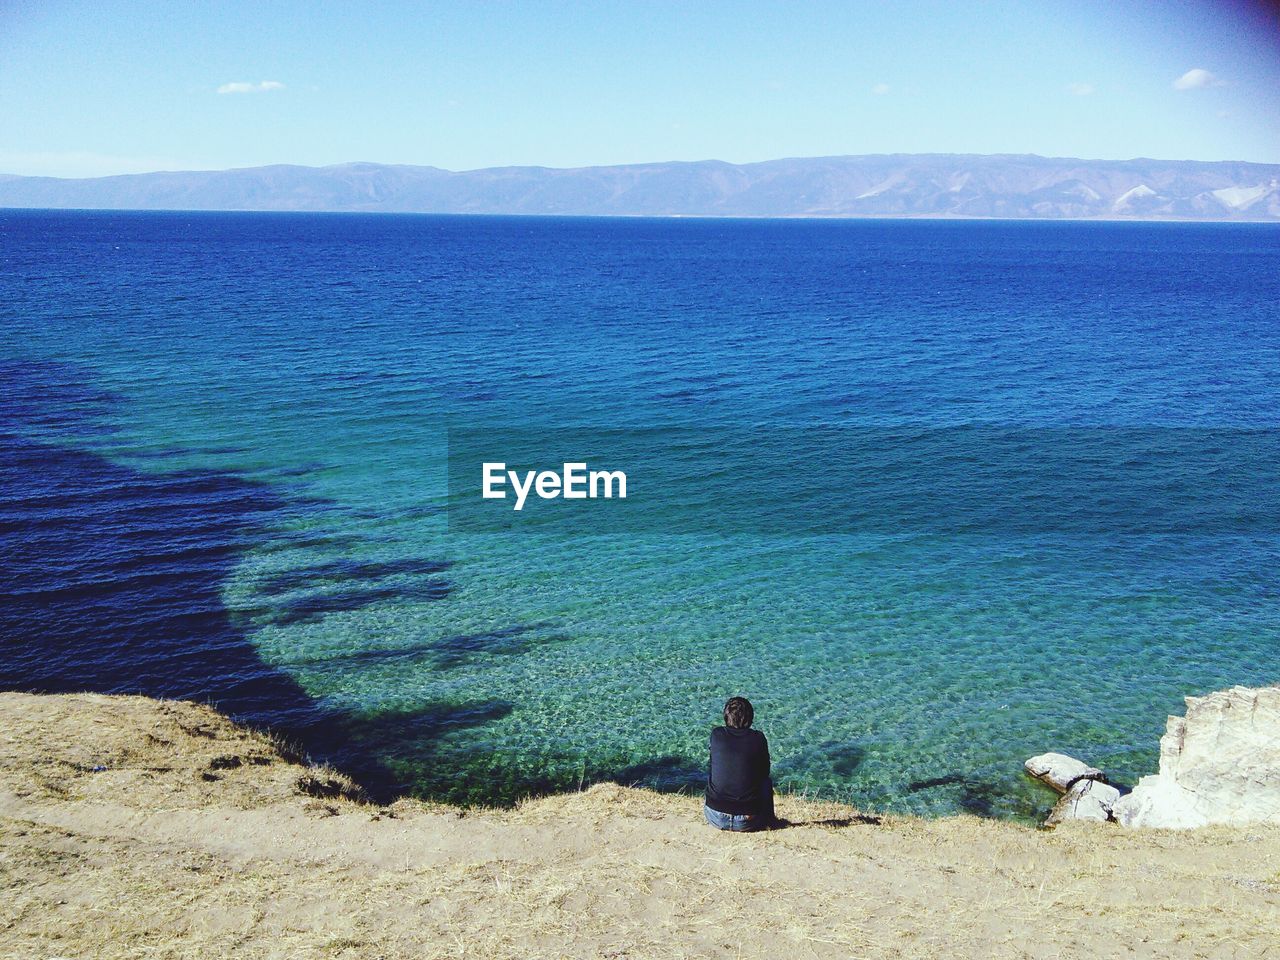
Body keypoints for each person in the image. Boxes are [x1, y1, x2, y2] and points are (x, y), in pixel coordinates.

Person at [704, 696, 776, 831]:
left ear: (726, 716)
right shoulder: (758, 738)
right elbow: (765, 772)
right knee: (766, 782)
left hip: (714, 816)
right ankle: (770, 821)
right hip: (748, 821)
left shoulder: (716, 734)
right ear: (750, 718)